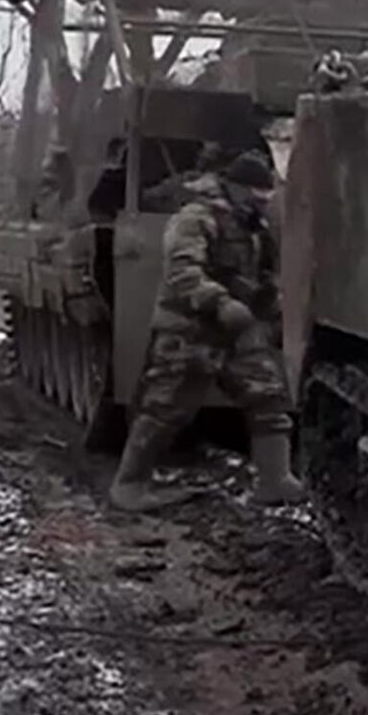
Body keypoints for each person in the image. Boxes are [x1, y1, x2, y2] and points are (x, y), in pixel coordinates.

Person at [108, 149, 308, 512]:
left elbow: (262, 279)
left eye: (267, 197)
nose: (262, 203)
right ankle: (130, 484)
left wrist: (273, 312)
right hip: (189, 330)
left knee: (269, 397)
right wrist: (219, 302)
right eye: (256, 196)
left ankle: (275, 479)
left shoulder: (254, 228)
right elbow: (183, 273)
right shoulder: (195, 219)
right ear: (235, 188)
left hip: (235, 332)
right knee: (165, 409)